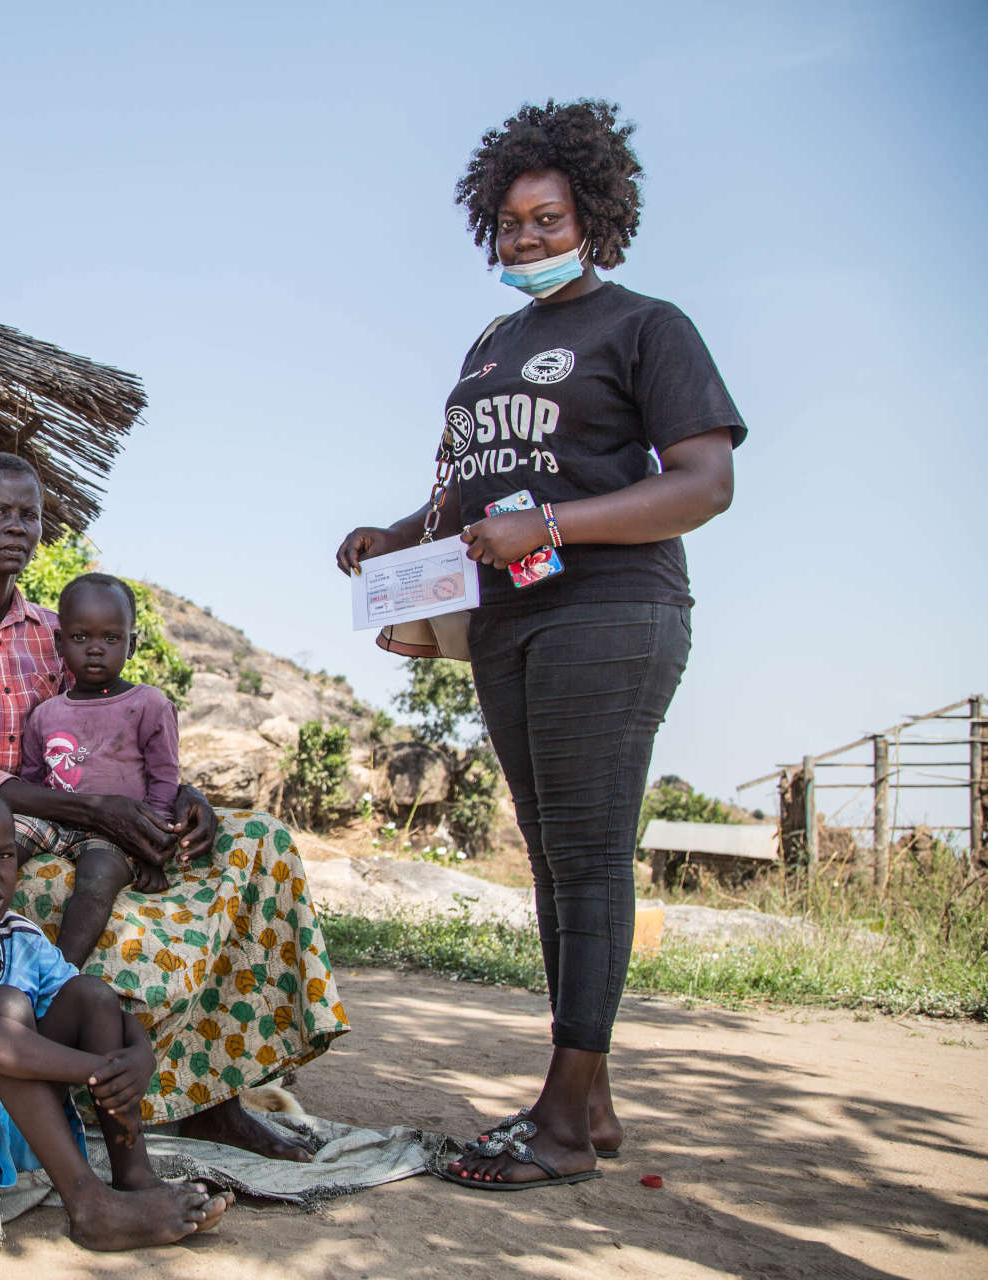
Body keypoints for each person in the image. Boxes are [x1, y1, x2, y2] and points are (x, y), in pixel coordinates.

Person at [336, 100, 744, 1191]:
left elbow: (704, 482)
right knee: (554, 855)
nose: (524, 238)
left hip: (609, 608)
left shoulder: (644, 326)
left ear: (593, 218)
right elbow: (471, 494)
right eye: (509, 222)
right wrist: (396, 537)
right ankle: (588, 1099)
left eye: (546, 217)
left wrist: (552, 528)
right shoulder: (490, 343)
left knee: (590, 849)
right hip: (507, 620)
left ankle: (561, 1123)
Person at [0, 451, 348, 1162]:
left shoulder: (54, 629)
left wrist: (179, 796)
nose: (18, 528)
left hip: (82, 821)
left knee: (258, 843)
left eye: (29, 515)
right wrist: (99, 812)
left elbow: (108, 726)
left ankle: (213, 1091)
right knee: (112, 903)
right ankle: (112, 1079)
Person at [0, 775, 232, 1249]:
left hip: (2, 1126)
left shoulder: (20, 936)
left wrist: (139, 1056)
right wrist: (100, 1071)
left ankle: (134, 1177)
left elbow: (100, 1008)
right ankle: (90, 1206)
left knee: (90, 994)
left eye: (3, 855)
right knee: (2, 1009)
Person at [17, 572, 181, 966]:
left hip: (114, 832)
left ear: (132, 646)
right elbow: (32, 782)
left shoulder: (150, 705)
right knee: (0, 844)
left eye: (110, 639)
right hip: (54, 820)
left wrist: (151, 854)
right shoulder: (45, 714)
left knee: (97, 880)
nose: (95, 649)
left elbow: (163, 784)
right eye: (79, 638)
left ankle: (61, 973)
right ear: (60, 643)